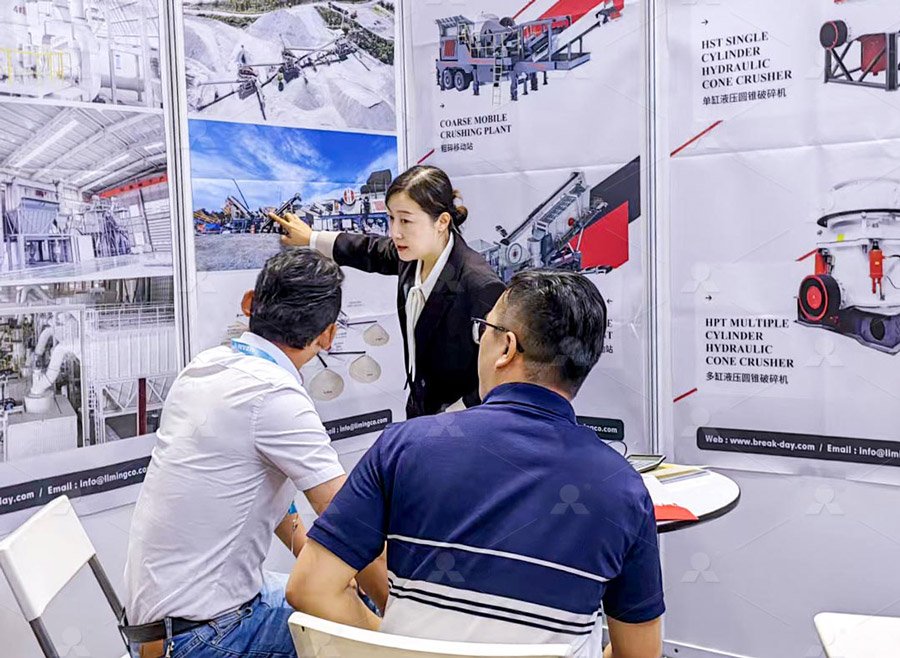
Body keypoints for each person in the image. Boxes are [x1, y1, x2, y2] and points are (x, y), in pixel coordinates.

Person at [285, 270, 665, 658]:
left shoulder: (404, 447)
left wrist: (393, 646)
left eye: (484, 328)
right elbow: (639, 654)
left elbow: (311, 589)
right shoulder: (623, 489)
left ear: (506, 347)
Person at [122, 250, 387, 658]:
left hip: (159, 624)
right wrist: (399, 629)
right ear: (328, 335)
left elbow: (256, 492)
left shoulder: (206, 366)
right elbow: (349, 518)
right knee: (365, 634)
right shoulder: (275, 395)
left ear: (250, 302)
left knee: (347, 592)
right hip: (200, 637)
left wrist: (311, 554)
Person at [269, 165, 505, 418]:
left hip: (461, 423)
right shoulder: (412, 255)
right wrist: (311, 238)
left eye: (405, 220)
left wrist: (450, 417)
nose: (395, 232)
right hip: (420, 408)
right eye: (391, 218)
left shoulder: (478, 285)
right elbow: (368, 249)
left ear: (442, 222)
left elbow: (501, 372)